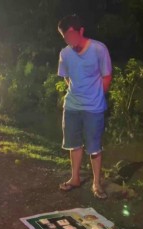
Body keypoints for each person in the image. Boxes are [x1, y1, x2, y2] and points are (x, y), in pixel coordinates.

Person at [57, 15, 112, 199]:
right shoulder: (65, 54)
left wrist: (96, 95)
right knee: (74, 144)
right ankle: (75, 178)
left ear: (81, 31)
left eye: (72, 35)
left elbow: (106, 77)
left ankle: (97, 184)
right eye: (66, 37)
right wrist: (77, 91)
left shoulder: (98, 49)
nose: (70, 40)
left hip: (94, 107)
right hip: (72, 105)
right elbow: (66, 76)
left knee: (94, 148)